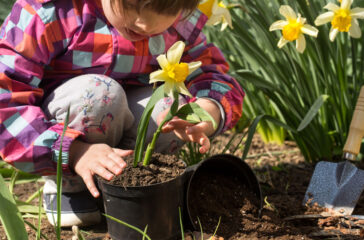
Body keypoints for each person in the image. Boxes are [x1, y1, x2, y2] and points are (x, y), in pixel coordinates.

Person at [0, 0, 245, 227]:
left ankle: (135, 182)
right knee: (99, 93)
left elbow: (211, 72)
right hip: (68, 128)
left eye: (167, 11)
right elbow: (5, 101)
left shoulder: (178, 23)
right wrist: (74, 152)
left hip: (127, 120)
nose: (145, 24)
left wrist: (207, 109)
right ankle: (69, 186)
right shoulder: (52, 13)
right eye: (129, 4)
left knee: (171, 105)